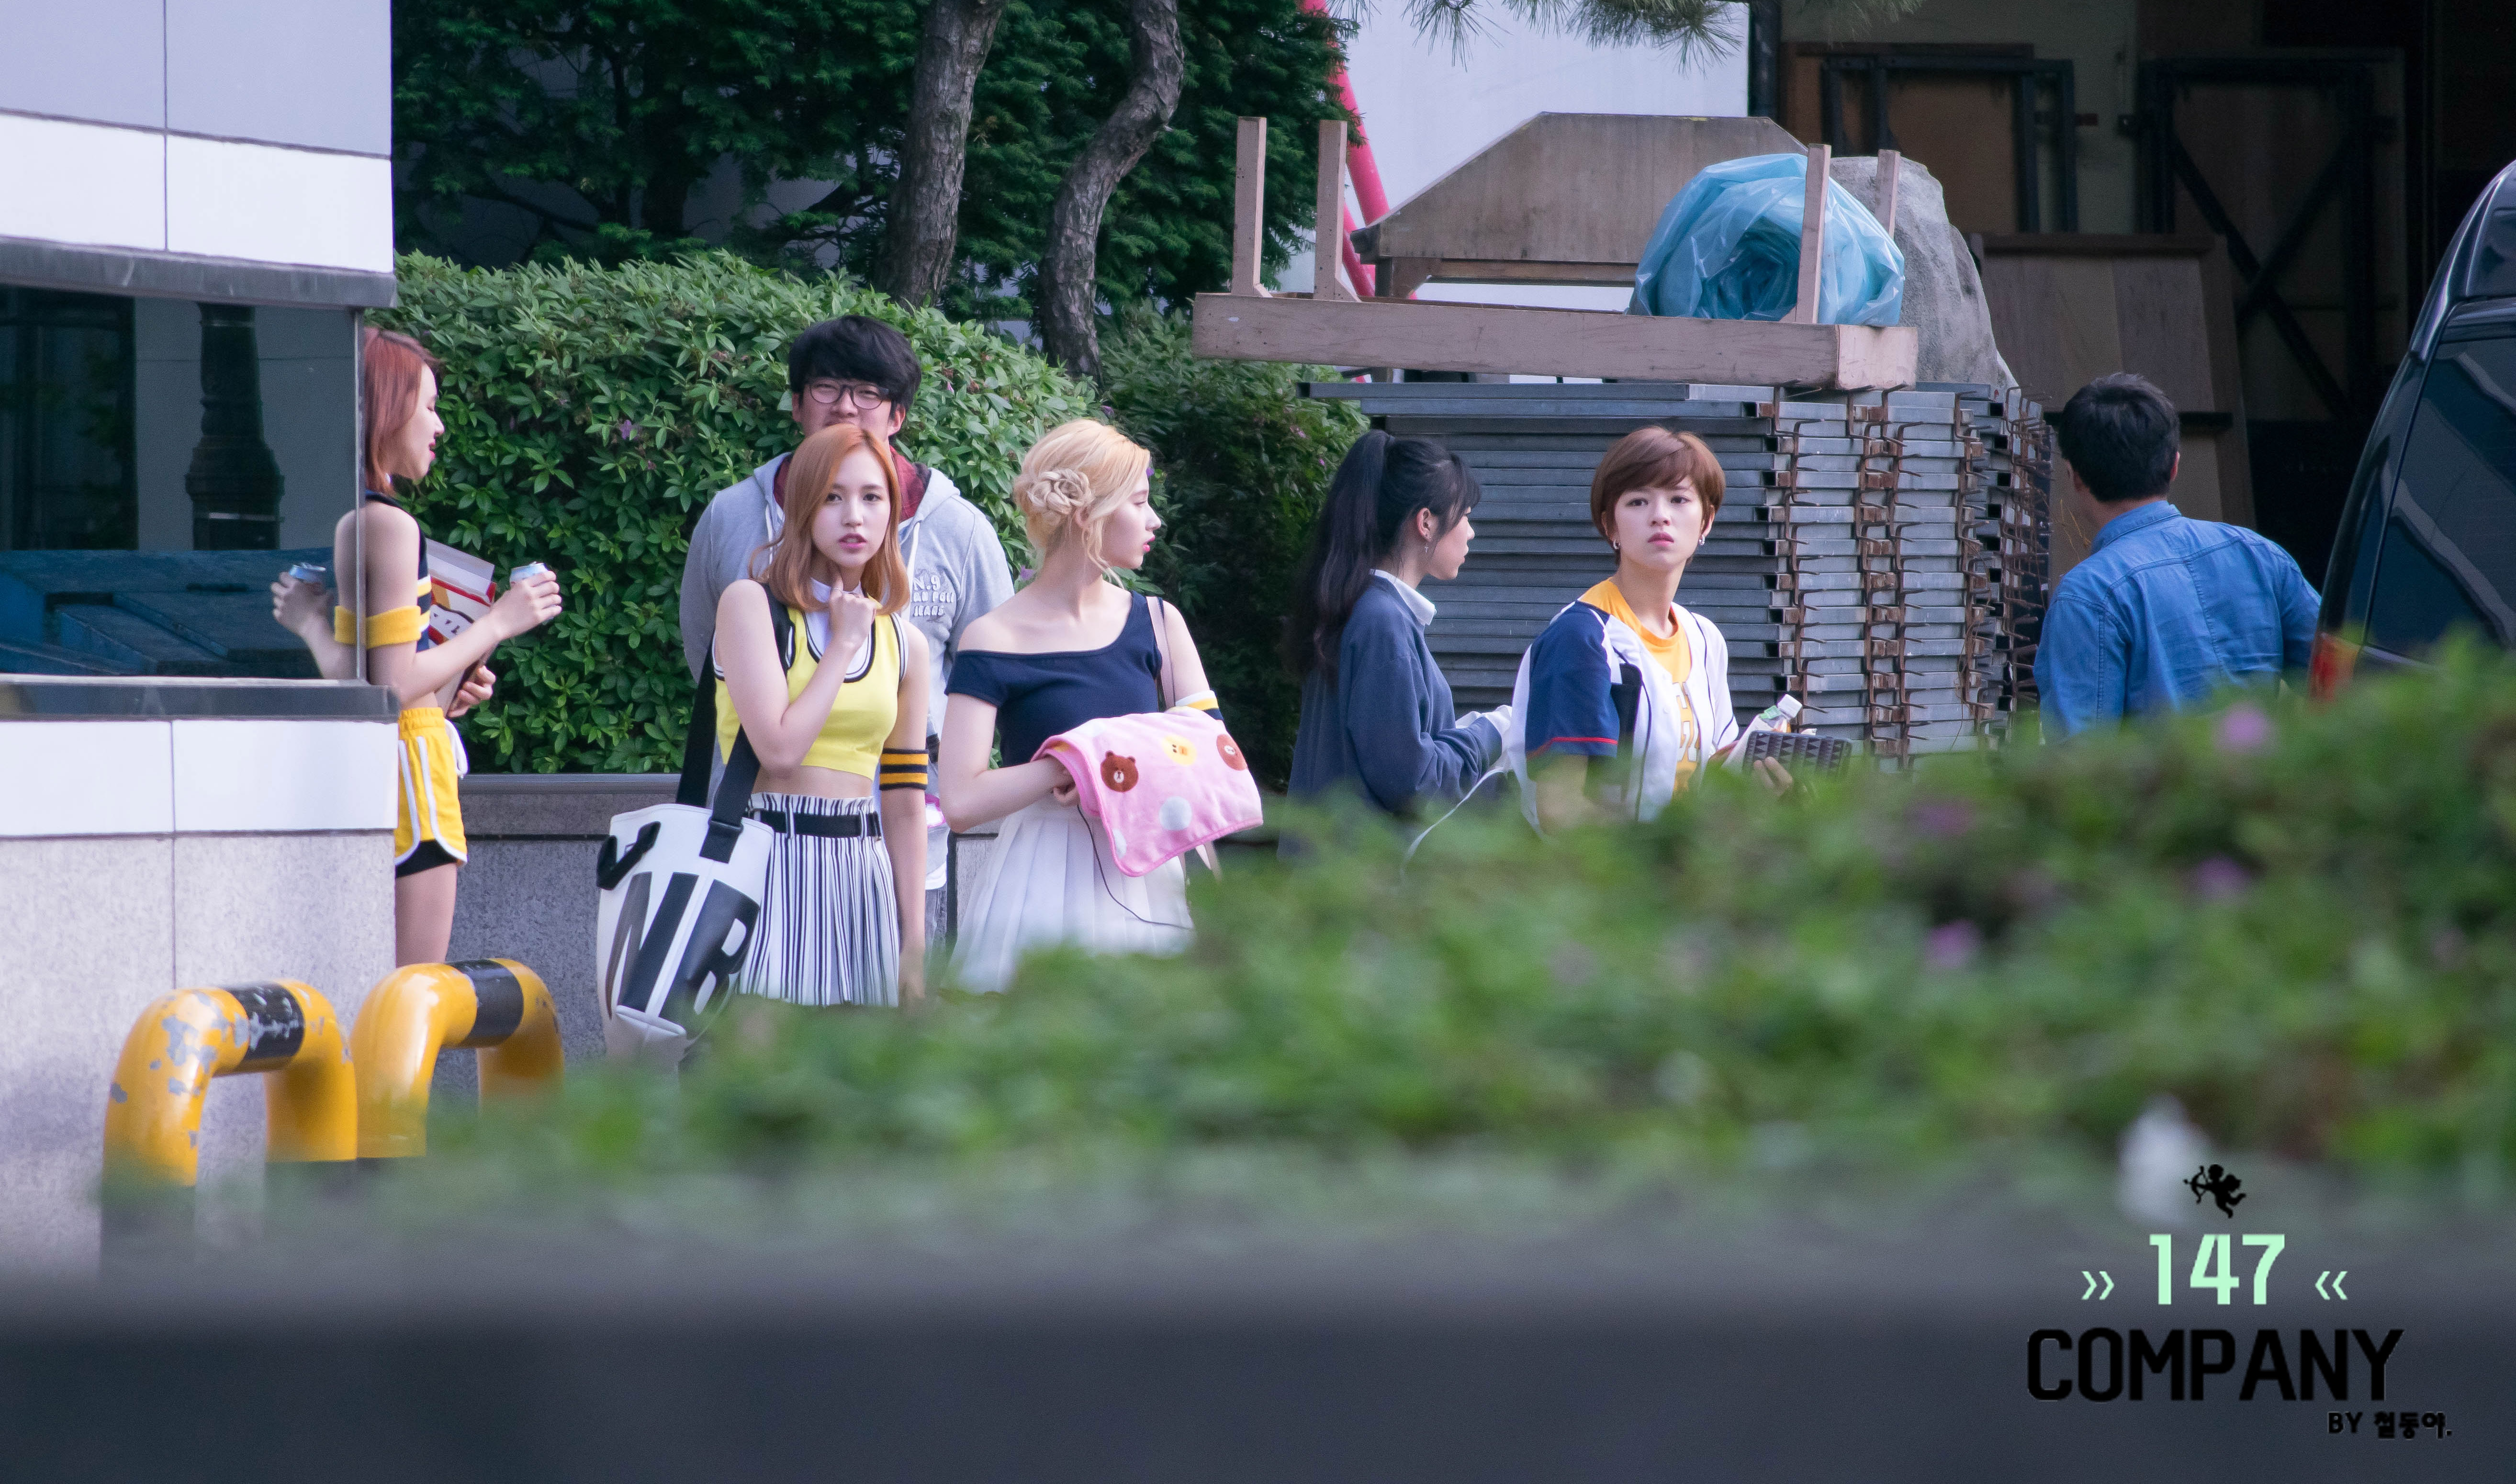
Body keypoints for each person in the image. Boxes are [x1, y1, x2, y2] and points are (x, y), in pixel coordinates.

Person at [680, 315, 1013, 940]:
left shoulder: (959, 532)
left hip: (892, 860)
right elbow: (708, 658)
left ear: (898, 415)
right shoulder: (732, 518)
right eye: (827, 387)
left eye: (867, 392)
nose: (845, 408)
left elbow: (993, 675)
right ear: (798, 403)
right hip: (752, 846)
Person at [270, 327, 563, 965]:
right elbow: (393, 686)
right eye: (428, 405)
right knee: (413, 994)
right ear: (388, 407)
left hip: (385, 762)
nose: (439, 425)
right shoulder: (390, 524)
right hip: (412, 771)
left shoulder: (356, 516)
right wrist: (499, 623)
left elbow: (369, 679)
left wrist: (314, 627)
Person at [937, 420, 1214, 992]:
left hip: (1151, 872)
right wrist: (1068, 764)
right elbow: (960, 801)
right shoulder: (993, 637)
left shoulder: (1159, 623)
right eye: (1139, 501)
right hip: (1037, 880)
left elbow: (1212, 760)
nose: (1155, 520)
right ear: (1088, 513)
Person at [711, 422, 930, 1006]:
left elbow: (906, 800)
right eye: (833, 497)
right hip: (768, 862)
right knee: (762, 1058)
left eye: (872, 497)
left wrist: (915, 942)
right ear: (803, 506)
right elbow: (780, 751)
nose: (854, 516)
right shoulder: (750, 604)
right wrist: (844, 644)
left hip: (862, 873)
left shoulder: (905, 643)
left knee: (860, 1063)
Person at [1512, 426, 1781, 831]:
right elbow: (1560, 810)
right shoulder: (1582, 638)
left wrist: (1755, 789)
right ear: (1610, 526)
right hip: (1601, 869)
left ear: (1706, 521)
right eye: (1638, 501)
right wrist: (1664, 846)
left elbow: (1706, 779)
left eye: (1679, 499)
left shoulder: (1704, 638)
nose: (1660, 515)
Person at [2033, 373, 2319, 735]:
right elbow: (2348, 685)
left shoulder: (2087, 597)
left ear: (2074, 476)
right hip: (2267, 773)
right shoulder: (2260, 554)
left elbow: (2081, 757)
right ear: (2174, 465)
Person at [1285, 430, 1508, 815]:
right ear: (1426, 522)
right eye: (1465, 516)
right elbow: (1414, 785)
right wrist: (1493, 733)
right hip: (1363, 855)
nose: (1471, 531)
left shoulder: (1358, 607)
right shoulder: (1382, 621)